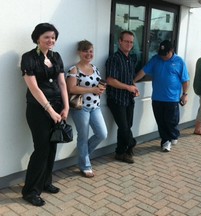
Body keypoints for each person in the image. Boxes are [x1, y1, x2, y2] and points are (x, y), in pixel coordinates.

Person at [20, 23, 69, 206]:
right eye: (47, 37)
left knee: (52, 147)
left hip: (57, 108)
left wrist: (66, 107)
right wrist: (50, 110)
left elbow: (62, 84)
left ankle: (46, 182)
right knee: (42, 149)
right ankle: (30, 191)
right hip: (38, 110)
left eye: (53, 37)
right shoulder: (29, 58)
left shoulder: (56, 57)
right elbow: (33, 88)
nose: (51, 40)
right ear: (38, 38)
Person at [134, 40, 190, 152]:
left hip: (172, 98)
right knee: (161, 121)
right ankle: (165, 141)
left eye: (166, 54)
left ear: (172, 51)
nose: (163, 57)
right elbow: (144, 71)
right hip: (157, 98)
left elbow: (185, 80)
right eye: (161, 54)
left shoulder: (179, 62)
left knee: (171, 121)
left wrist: (185, 94)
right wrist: (133, 81)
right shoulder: (156, 59)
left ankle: (173, 134)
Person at [66, 40, 108, 178]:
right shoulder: (74, 69)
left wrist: (100, 89)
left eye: (91, 51)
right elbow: (71, 88)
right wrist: (92, 89)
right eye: (85, 51)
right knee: (83, 136)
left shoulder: (95, 68)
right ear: (79, 52)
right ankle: (85, 165)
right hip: (81, 107)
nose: (89, 54)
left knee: (102, 134)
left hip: (95, 107)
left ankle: (83, 157)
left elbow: (98, 85)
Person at [105, 31, 139, 164]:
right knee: (124, 127)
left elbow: (130, 79)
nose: (129, 44)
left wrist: (133, 87)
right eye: (126, 41)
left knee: (127, 126)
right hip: (116, 99)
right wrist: (128, 87)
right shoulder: (114, 58)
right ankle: (132, 144)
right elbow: (110, 80)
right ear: (120, 41)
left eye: (131, 42)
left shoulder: (131, 59)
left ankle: (120, 152)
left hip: (129, 99)